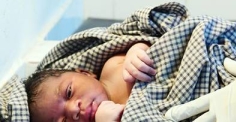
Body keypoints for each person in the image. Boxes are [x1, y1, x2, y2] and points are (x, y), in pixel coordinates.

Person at [24, 42, 156, 122]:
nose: (73, 110)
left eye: (69, 92)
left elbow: (150, 41)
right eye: (64, 121)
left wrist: (136, 52)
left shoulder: (112, 69)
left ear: (86, 73)